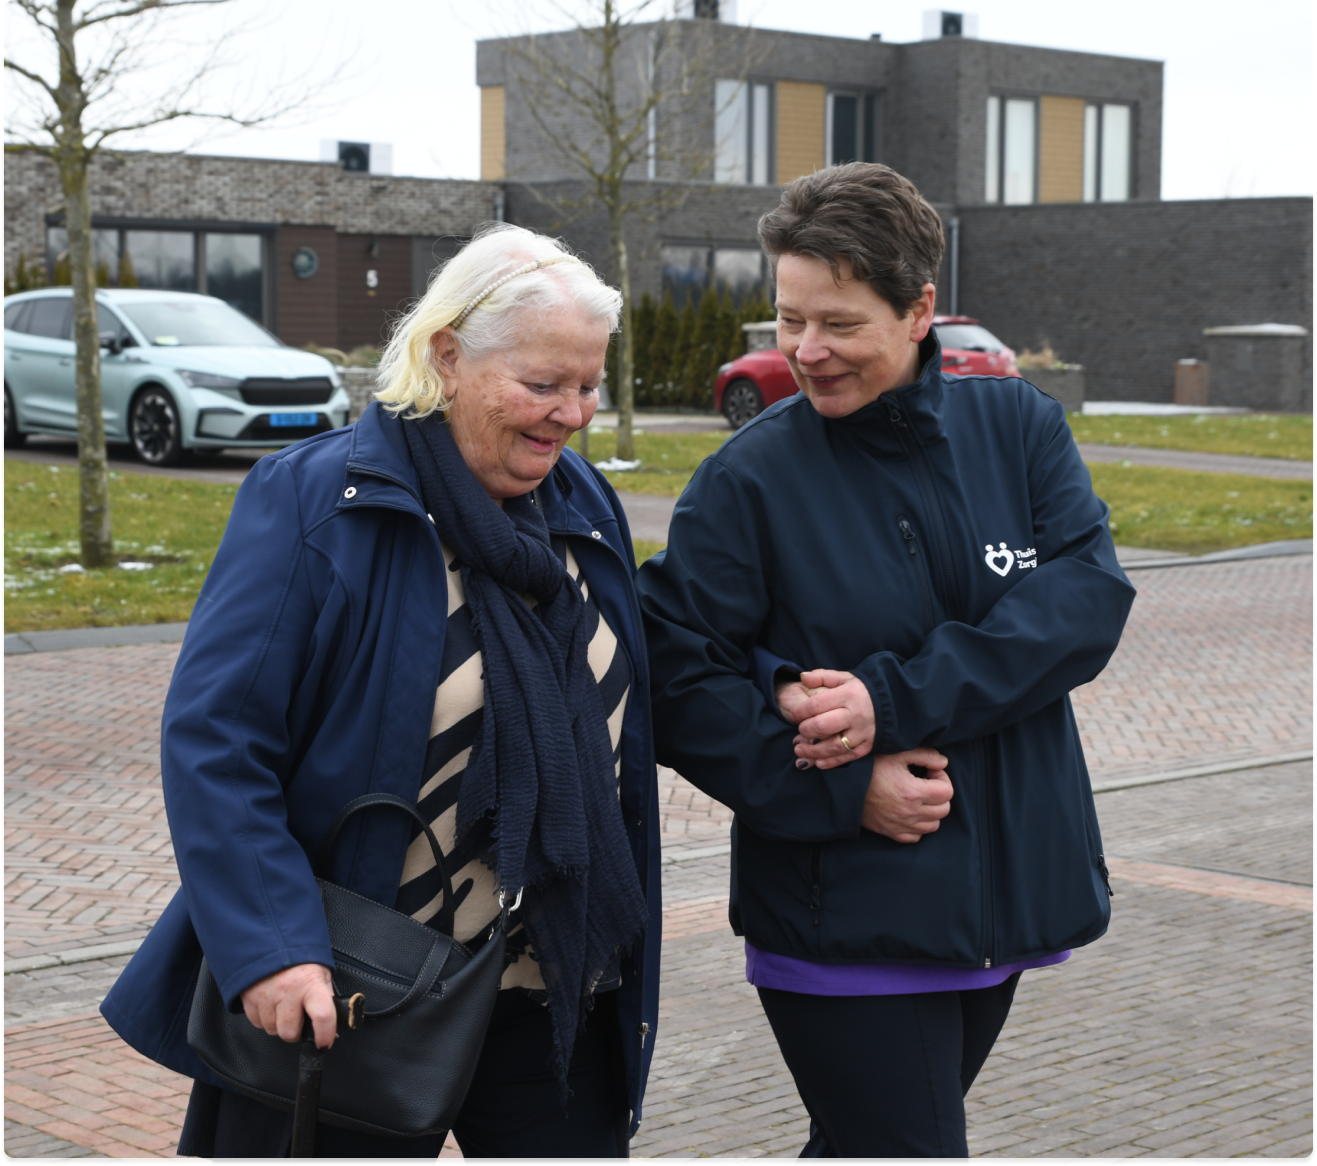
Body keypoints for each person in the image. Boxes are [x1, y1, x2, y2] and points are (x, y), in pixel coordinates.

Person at [101, 224, 662, 1165]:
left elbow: (635, 694)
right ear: (447, 356)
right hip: (357, 984)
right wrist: (272, 945)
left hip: (552, 977)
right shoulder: (317, 502)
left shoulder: (584, 506)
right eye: (542, 384)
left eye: (587, 385)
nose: (572, 413)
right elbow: (217, 742)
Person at [635, 163, 1135, 1164]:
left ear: (920, 310)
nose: (807, 351)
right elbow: (678, 675)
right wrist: (844, 785)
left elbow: (1085, 602)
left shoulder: (1020, 427)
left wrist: (891, 699)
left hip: (1004, 906)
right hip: (842, 918)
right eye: (788, 320)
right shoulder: (750, 480)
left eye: (840, 322)